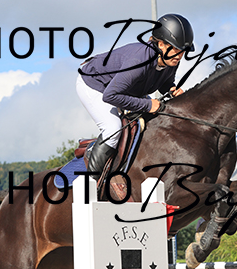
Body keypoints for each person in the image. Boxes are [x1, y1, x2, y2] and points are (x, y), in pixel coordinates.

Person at [77, 13, 195, 178]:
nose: (180, 55)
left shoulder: (170, 59)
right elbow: (110, 95)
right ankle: (92, 182)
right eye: (176, 49)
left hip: (123, 89)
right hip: (95, 85)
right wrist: (147, 105)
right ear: (161, 44)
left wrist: (172, 89)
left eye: (183, 50)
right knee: (113, 129)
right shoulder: (139, 61)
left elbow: (164, 81)